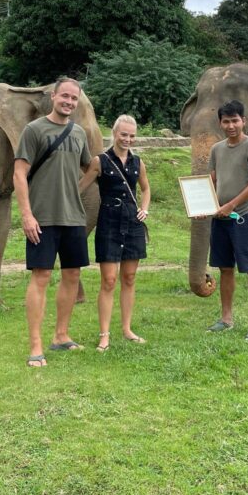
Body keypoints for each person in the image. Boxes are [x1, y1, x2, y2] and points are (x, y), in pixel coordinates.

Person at [13, 77, 92, 367]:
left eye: (74, 98)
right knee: (41, 277)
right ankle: (35, 345)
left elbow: (90, 167)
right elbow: (19, 173)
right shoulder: (34, 130)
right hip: (42, 217)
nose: (69, 102)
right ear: (54, 96)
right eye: (65, 96)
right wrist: (27, 215)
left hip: (73, 217)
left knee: (72, 275)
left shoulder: (79, 134)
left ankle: (61, 335)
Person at [80, 115, 150, 350]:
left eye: (132, 135)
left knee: (129, 278)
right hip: (109, 221)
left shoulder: (138, 162)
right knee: (109, 280)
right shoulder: (100, 161)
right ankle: (104, 334)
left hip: (133, 223)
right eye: (124, 134)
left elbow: (146, 188)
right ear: (114, 132)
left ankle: (127, 329)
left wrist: (145, 209)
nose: (128, 139)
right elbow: (81, 187)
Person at [205, 99, 248, 340]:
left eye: (235, 120)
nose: (230, 125)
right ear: (220, 123)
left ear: (244, 121)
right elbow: (211, 180)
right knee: (225, 268)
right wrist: (203, 205)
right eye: (226, 121)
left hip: (243, 217)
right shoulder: (217, 149)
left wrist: (231, 204)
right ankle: (226, 318)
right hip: (220, 218)